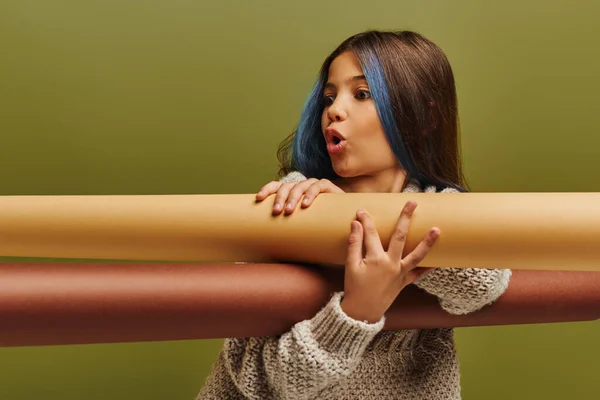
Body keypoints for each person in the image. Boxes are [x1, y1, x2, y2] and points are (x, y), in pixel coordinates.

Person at [196, 29, 511, 400]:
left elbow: (484, 284)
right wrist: (356, 312)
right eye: (329, 96)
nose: (333, 110)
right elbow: (261, 382)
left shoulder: (441, 206)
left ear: (424, 117)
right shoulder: (290, 203)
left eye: (361, 94)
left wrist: (357, 218)